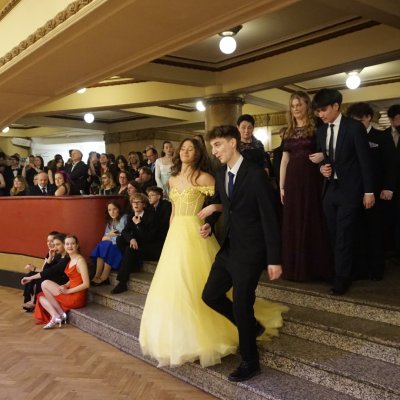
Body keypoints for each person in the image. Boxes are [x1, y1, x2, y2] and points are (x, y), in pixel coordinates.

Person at [139, 137, 287, 370]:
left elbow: (238, 207)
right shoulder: (185, 178)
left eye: (191, 149)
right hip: (179, 236)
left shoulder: (215, 177)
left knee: (231, 298)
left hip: (214, 238)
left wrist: (274, 258)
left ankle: (249, 357)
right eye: (183, 148)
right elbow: (183, 209)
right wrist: (179, 231)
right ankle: (188, 336)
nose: (185, 152)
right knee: (190, 290)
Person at [200, 126, 284, 382]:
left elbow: (269, 218)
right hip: (228, 247)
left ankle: (250, 361)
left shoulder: (255, 174)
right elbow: (225, 204)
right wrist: (210, 222)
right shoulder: (221, 173)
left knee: (242, 304)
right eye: (212, 147)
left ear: (233, 143)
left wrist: (274, 259)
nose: (214, 151)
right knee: (210, 295)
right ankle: (252, 326)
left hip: (251, 251)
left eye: (218, 145)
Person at [313, 89, 375, 295]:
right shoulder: (321, 131)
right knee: (333, 235)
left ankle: (342, 278)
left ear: (336, 106)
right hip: (330, 190)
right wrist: (322, 168)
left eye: (323, 110)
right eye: (318, 111)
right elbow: (325, 158)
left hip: (350, 190)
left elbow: (365, 161)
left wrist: (369, 191)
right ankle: (340, 271)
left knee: (344, 236)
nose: (320, 114)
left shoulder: (354, 127)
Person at [279, 91, 333, 281]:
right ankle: (294, 268)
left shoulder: (318, 126)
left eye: (299, 105)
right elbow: (284, 160)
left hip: (312, 177)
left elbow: (330, 149)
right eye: (293, 106)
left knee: (311, 218)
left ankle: (313, 269)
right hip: (292, 179)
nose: (296, 109)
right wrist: (282, 187)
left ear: (306, 106)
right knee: (293, 220)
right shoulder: (288, 130)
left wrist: (323, 155)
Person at [347, 102, 396, 280]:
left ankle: (377, 269)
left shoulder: (381, 137)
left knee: (375, 230)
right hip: (355, 191)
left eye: (359, 121)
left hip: (377, 190)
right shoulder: (350, 137)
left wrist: (388, 187)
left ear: (368, 118)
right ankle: (360, 268)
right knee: (358, 230)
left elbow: (392, 164)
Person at [34, 235, 89, 329]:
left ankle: (59, 314)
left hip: (76, 296)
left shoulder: (80, 261)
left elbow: (86, 284)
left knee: (45, 283)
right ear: (64, 246)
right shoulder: (71, 259)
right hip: (70, 291)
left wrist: (68, 291)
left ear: (77, 245)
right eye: (67, 244)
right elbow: (73, 279)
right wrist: (65, 285)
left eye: (73, 243)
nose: (70, 246)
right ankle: (57, 315)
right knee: (41, 297)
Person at [21, 233, 69, 311]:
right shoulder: (58, 255)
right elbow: (46, 269)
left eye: (57, 244)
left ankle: (34, 301)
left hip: (62, 281)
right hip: (55, 277)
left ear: (64, 244)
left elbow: (50, 271)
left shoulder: (66, 258)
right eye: (55, 244)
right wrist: (50, 257)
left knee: (40, 278)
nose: (54, 246)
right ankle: (29, 300)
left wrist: (31, 277)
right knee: (31, 274)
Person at [91, 200, 128, 286]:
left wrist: (110, 236)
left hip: (122, 247)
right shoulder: (110, 222)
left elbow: (121, 235)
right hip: (112, 245)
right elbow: (104, 238)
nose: (112, 212)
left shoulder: (124, 218)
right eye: (109, 210)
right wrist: (110, 235)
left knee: (110, 247)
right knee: (101, 245)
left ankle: (104, 277)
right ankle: (97, 275)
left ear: (119, 209)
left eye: (114, 209)